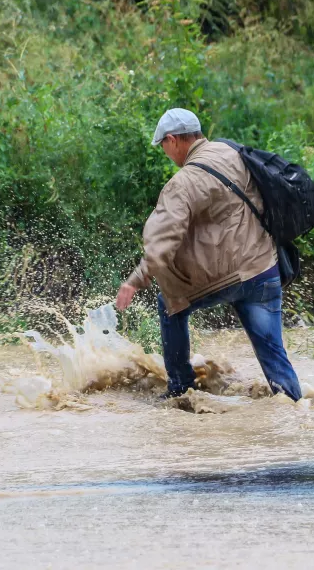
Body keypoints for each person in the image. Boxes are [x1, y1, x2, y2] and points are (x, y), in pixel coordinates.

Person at [115, 108, 303, 401]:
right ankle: (293, 403)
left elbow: (163, 239)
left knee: (169, 302)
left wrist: (136, 279)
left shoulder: (183, 182)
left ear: (174, 140)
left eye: (163, 146)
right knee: (274, 354)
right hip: (264, 269)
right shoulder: (236, 154)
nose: (165, 152)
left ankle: (181, 390)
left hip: (229, 277)